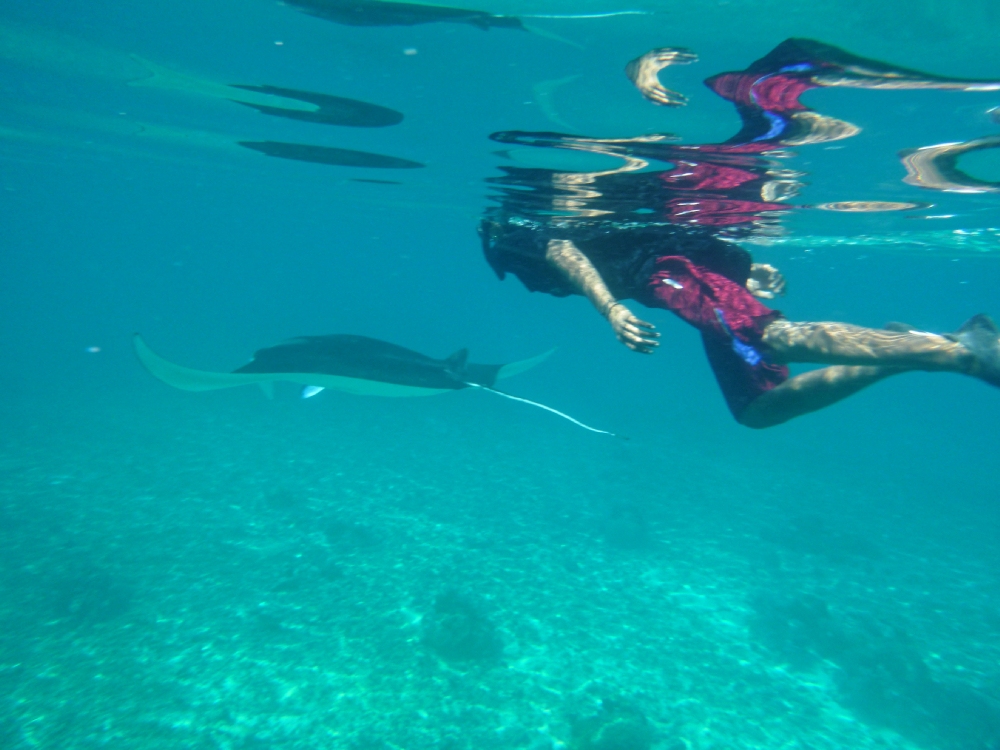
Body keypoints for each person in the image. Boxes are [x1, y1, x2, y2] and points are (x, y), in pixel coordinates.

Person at [479, 39, 1000, 428]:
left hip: (666, 273)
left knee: (772, 339)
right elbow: (641, 231)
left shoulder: (515, 230)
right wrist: (741, 265)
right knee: (757, 411)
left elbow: (564, 247)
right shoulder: (512, 231)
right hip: (679, 264)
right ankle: (908, 348)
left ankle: (960, 351)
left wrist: (611, 309)